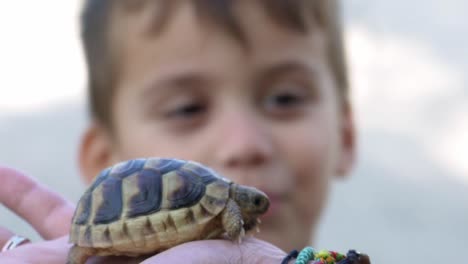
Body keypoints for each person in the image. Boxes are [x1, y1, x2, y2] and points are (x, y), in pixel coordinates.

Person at [0, 0, 355, 263]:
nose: (244, 144)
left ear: (347, 137)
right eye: (188, 108)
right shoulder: (224, 204)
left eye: (285, 98)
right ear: (100, 157)